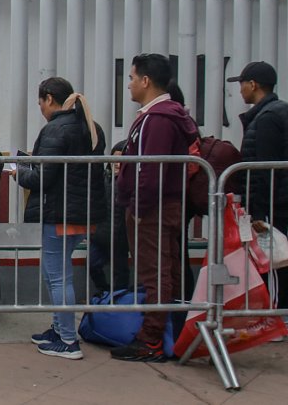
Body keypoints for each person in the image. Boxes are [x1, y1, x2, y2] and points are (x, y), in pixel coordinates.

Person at [111, 53, 199, 362]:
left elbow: (149, 169)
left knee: (155, 273)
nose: (129, 85)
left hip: (153, 208)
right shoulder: (164, 115)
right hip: (163, 205)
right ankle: (168, 332)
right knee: (164, 271)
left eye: (132, 78)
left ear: (146, 81)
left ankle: (151, 339)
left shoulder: (157, 119)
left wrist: (138, 206)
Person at [17, 77, 109, 360]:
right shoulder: (92, 126)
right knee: (58, 271)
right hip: (83, 212)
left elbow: (42, 176)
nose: (40, 109)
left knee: (58, 276)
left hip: (59, 212)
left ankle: (68, 340)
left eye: (40, 103)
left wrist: (19, 171)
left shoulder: (56, 129)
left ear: (48, 99)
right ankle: (59, 328)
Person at [227, 61, 288, 334]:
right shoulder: (276, 111)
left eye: (242, 83)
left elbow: (265, 169)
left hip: (269, 204)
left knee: (273, 261)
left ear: (253, 85)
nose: (240, 90)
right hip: (276, 200)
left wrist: (259, 213)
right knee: (275, 257)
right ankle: (276, 315)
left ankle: (277, 318)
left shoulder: (268, 118)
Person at [88, 141, 132, 296]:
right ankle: (105, 292)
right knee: (92, 264)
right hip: (100, 234)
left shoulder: (130, 183)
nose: (118, 163)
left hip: (120, 236)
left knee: (120, 271)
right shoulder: (103, 179)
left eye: (122, 159)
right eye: (115, 159)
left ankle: (118, 298)